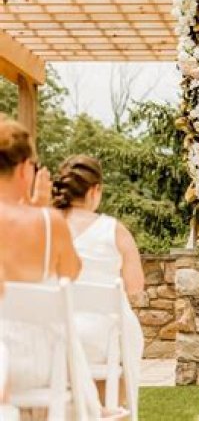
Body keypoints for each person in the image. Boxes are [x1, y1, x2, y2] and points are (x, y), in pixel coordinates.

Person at [0, 116, 111, 419]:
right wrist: (38, 209)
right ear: (24, 168)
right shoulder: (50, 223)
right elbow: (72, 273)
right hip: (35, 363)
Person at [52, 154, 145, 409]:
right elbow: (135, 287)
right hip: (102, 342)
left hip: (57, 338)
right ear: (95, 191)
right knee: (124, 332)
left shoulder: (47, 227)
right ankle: (114, 406)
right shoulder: (114, 230)